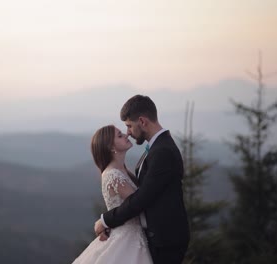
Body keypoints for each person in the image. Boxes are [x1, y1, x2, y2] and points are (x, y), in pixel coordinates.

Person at [94, 95, 190, 264]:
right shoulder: (156, 147)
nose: (128, 132)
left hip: (166, 240)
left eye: (129, 126)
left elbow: (142, 198)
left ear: (142, 121)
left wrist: (106, 221)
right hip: (156, 238)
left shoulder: (162, 151)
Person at [72, 125, 153, 264]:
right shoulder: (113, 175)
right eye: (120, 136)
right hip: (127, 239)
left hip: (134, 235)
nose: (126, 135)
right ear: (111, 147)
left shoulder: (123, 171)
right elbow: (138, 203)